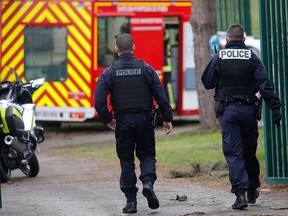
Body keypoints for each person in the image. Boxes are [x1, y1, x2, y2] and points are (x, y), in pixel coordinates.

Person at [201, 24, 282, 210]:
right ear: (244, 40)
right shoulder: (252, 57)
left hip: (228, 112)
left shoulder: (219, 57)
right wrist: (275, 108)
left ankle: (240, 195)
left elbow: (207, 82)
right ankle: (252, 188)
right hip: (248, 111)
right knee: (249, 152)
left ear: (227, 40)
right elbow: (265, 85)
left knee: (233, 153)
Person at [94, 33, 173, 214]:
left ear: (116, 49)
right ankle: (148, 183)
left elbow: (99, 100)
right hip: (145, 120)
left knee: (127, 160)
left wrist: (107, 120)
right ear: (134, 47)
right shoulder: (146, 69)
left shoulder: (110, 72)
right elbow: (160, 95)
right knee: (146, 155)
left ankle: (131, 202)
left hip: (123, 121)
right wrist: (166, 117)